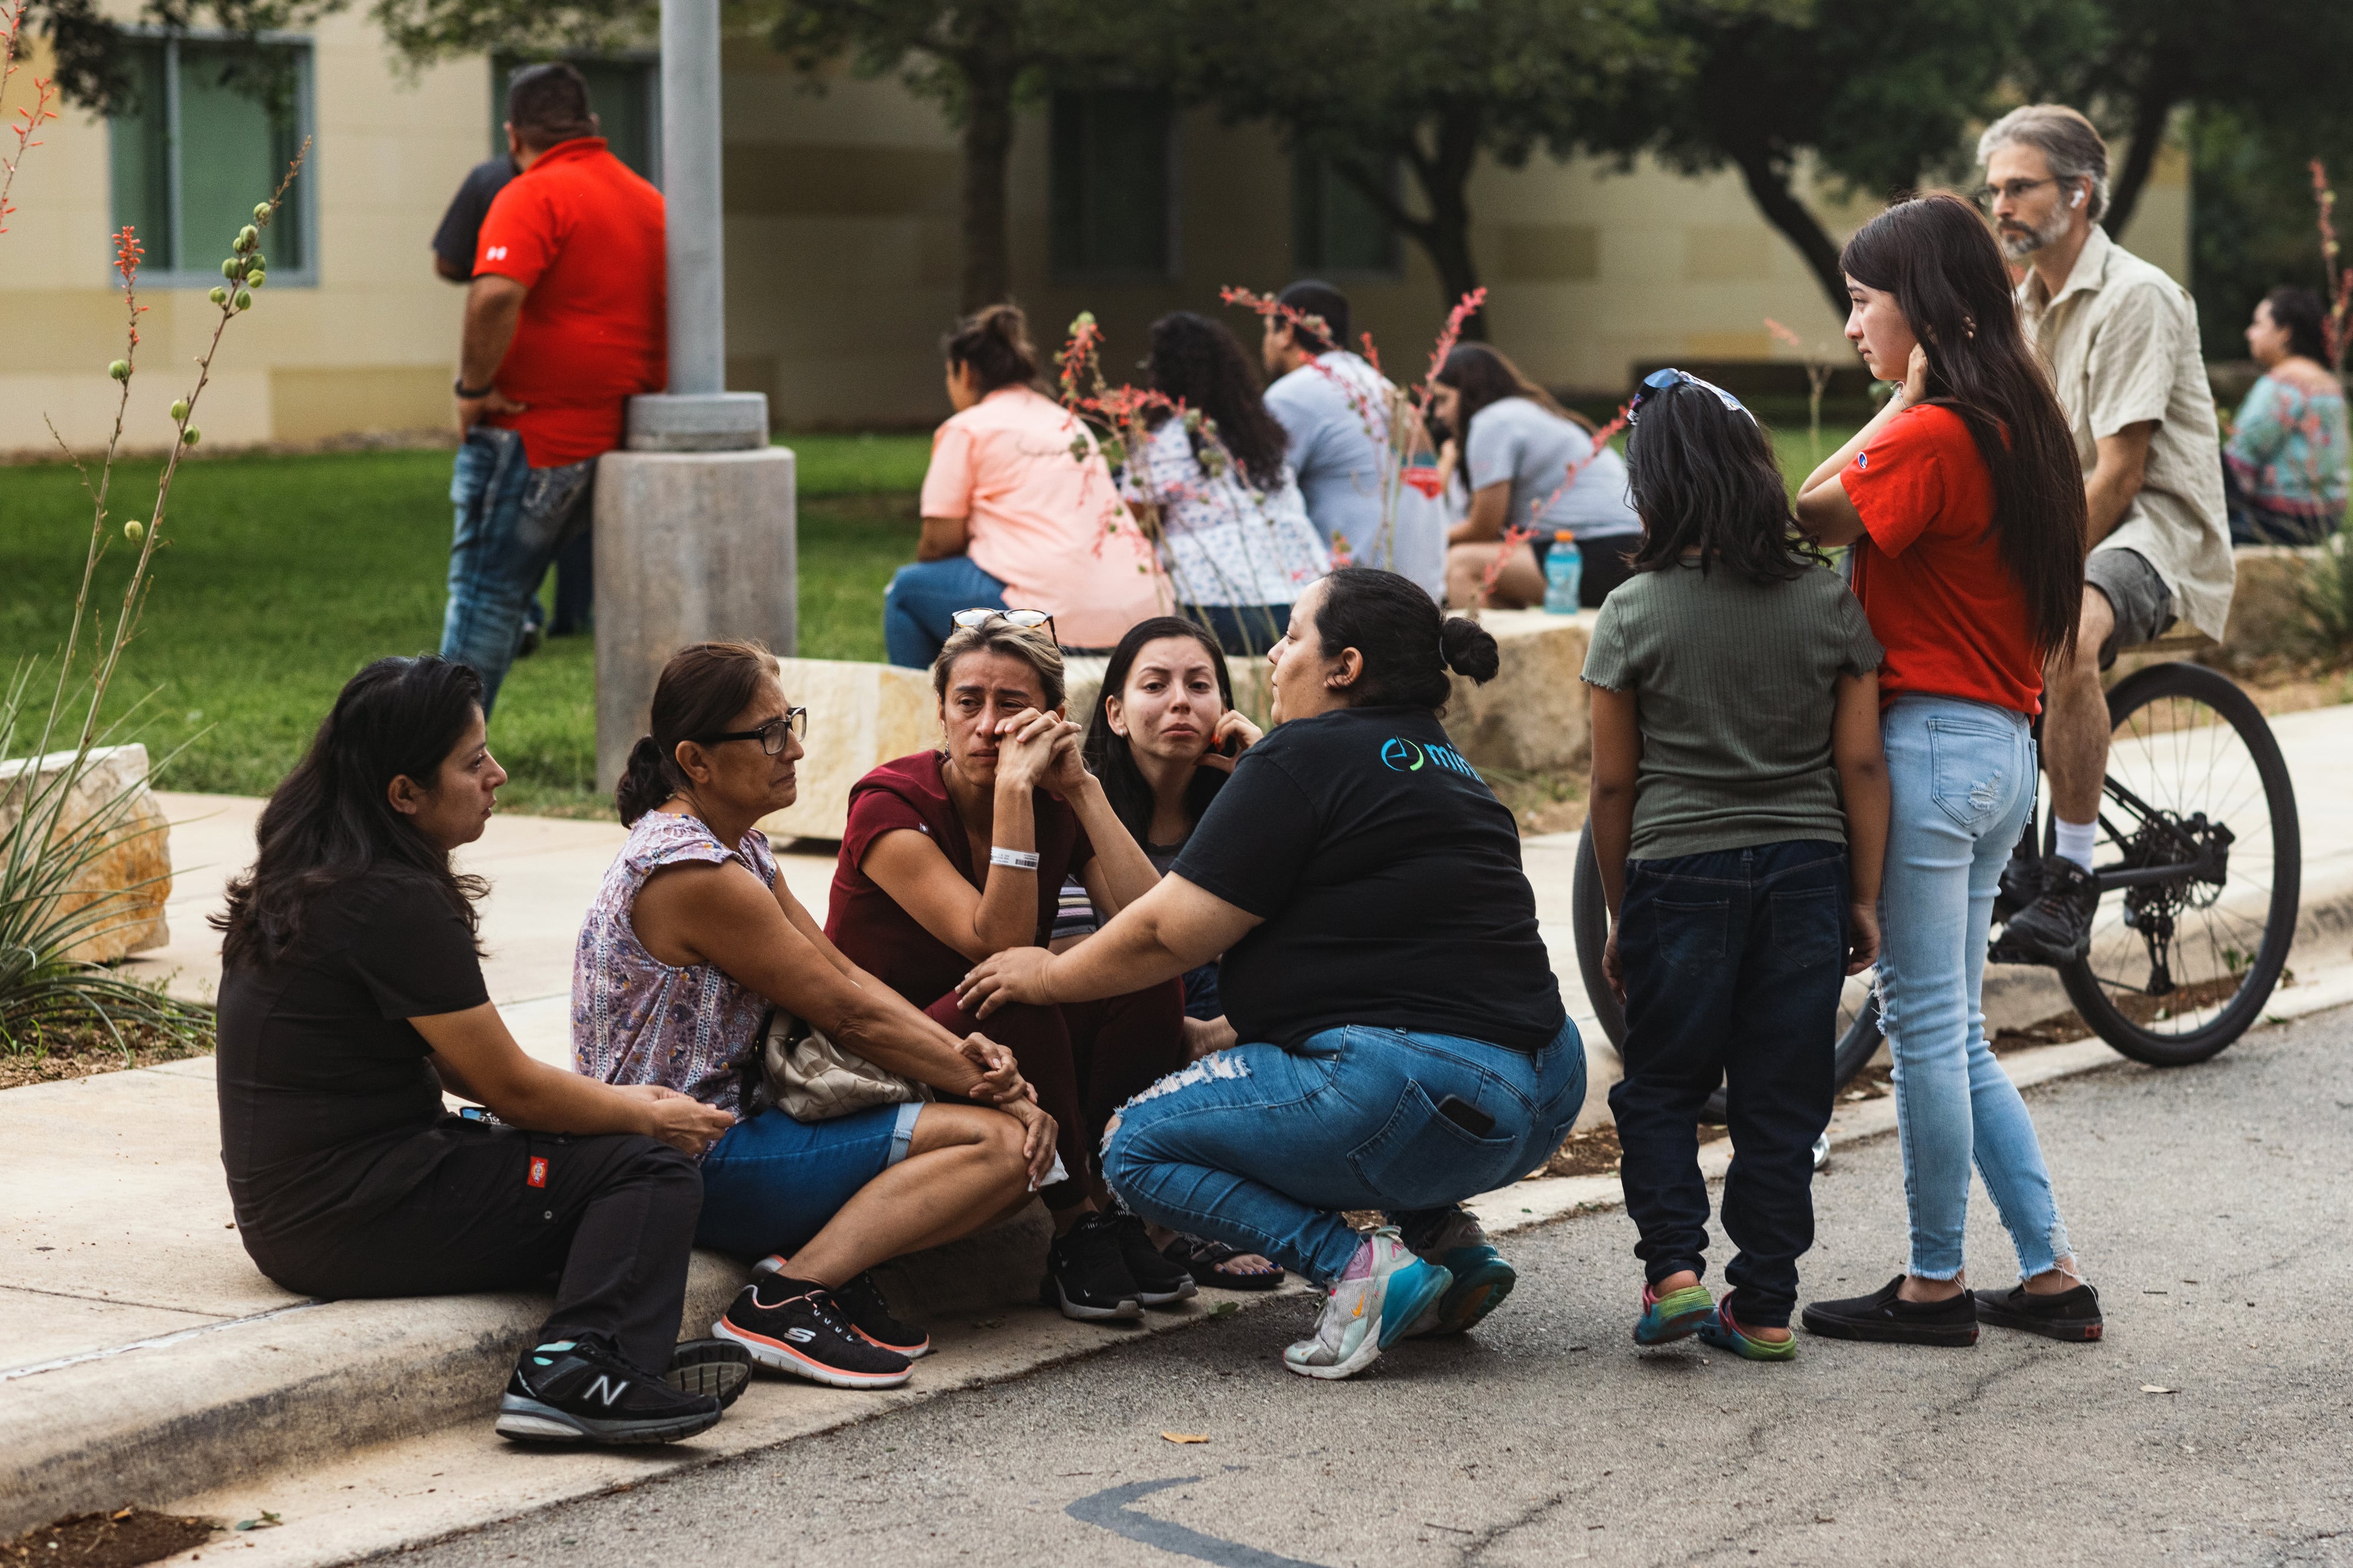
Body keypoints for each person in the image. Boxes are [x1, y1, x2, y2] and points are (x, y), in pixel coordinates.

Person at [959, 568, 1584, 1381]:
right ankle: (1450, 1249)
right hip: (1542, 1093)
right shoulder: (1445, 762)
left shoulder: (1303, 754)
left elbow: (1165, 931)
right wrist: (1221, 1033)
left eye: (1293, 635)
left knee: (1135, 1146)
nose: (1277, 655)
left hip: (1417, 1092)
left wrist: (1044, 975)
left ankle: (1357, 1269)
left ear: (1345, 667)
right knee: (1333, 1086)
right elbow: (1375, 961)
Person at [212, 656, 746, 1447]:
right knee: (647, 1166)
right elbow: (510, 1088)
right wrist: (643, 1110)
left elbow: (465, 1068)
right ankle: (576, 1371)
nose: (496, 775)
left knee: (587, 1155)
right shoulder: (393, 900)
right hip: (351, 1216)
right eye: (472, 762)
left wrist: (596, 1116)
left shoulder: (326, 871)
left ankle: (621, 1354)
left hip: (311, 1209)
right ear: (405, 794)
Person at [1793, 192, 2104, 1347]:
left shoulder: (1930, 435)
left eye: (1861, 301)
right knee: (1950, 1026)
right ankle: (2048, 1275)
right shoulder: (2018, 425)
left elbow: (1799, 521)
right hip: (1996, 755)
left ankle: (1931, 1285)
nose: (1848, 326)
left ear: (1919, 309)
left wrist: (1896, 407)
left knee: (1921, 1025)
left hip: (1926, 752)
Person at [574, 641, 1052, 1390]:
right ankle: (782, 1300)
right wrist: (999, 1092)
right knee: (1003, 1147)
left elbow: (846, 974)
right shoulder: (693, 871)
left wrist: (973, 1061)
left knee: (1010, 1139)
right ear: (696, 761)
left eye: (788, 721)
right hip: (683, 1156)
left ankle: (808, 1269)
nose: (794, 747)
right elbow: (846, 1015)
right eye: (769, 733)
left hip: (737, 1128)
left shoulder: (740, 849)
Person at [1583, 369, 1889, 1360]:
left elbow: (1612, 790)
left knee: (1663, 1085)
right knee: (1780, 1096)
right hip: (1805, 873)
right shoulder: (1827, 604)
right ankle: (1762, 1306)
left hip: (1679, 872)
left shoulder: (1633, 612)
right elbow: (1860, 763)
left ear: (1658, 486)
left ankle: (1673, 1274)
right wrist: (1865, 895)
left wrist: (1624, 912)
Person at [824, 613, 1195, 1320]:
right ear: (941, 711)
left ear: (1054, 718)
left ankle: (1115, 1202)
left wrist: (1081, 785)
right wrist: (1017, 796)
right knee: (1012, 989)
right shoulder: (891, 804)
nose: (989, 725)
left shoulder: (1058, 799)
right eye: (968, 702)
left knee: (1147, 979)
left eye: (1013, 706)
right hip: (890, 1054)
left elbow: (1155, 925)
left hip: (1005, 1050)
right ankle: (1074, 1222)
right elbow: (993, 940)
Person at [1973, 105, 2232, 966]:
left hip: (2157, 529)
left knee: (2063, 630)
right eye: (1994, 189)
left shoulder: (2138, 298)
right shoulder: (2017, 310)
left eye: (2020, 186)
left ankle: (2072, 878)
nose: (2000, 204)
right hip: (2076, 520)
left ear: (2079, 193)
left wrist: (2031, 573)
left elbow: (2121, 474)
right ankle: (2010, 844)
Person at [1062, 616, 1284, 1290]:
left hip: (1220, 1015)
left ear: (1224, 706)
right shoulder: (1079, 802)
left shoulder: (1247, 801)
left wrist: (1270, 772)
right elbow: (1113, 940)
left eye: (1200, 684)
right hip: (1123, 1003)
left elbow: (1297, 937)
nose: (1181, 701)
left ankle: (1194, 1208)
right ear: (1116, 712)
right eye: (1155, 685)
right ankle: (1169, 1214)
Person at [441, 63, 664, 715]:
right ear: (592, 126)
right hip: (613, 442)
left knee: (486, 597)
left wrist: (472, 388)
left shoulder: (531, 192)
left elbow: (492, 297)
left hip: (530, 440)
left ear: (514, 136)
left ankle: (438, 759)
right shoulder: (648, 200)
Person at [884, 304, 1166, 668]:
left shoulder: (968, 427)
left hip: (1051, 618)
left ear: (965, 372)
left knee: (905, 591)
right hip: (1140, 611)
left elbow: (938, 543)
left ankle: (927, 719)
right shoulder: (1068, 422)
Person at [429, 139, 589, 652]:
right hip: (577, 376)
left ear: (514, 131)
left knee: (507, 503)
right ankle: (571, 612)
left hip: (508, 372)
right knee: (568, 494)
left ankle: (523, 616)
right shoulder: (599, 187)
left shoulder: (490, 180)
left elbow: (450, 265)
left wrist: (471, 387)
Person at [1123, 312, 1329, 656]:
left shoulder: (1166, 439)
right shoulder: (1262, 435)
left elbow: (1137, 527)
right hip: (1305, 609)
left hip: (1221, 610)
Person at [1259, 280, 1449, 600]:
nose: (1264, 343)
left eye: (1267, 330)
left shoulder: (1291, 395)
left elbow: (1260, 498)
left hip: (1356, 597)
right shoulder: (1383, 386)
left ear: (1287, 333)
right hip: (1425, 590)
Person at [1434, 342, 1641, 610]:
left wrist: (1428, 538)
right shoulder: (1528, 412)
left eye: (1443, 400)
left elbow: (1482, 528)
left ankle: (1482, 653)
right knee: (1490, 572)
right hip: (1627, 549)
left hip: (1603, 551)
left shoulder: (1492, 422)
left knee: (1459, 565)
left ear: (1468, 393)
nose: (1438, 414)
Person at [2225, 286, 2348, 545]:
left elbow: (2240, 462)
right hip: (2329, 518)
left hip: (2279, 523)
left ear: (2284, 333)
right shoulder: (2330, 385)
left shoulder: (2281, 385)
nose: (2250, 333)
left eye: (2258, 324)